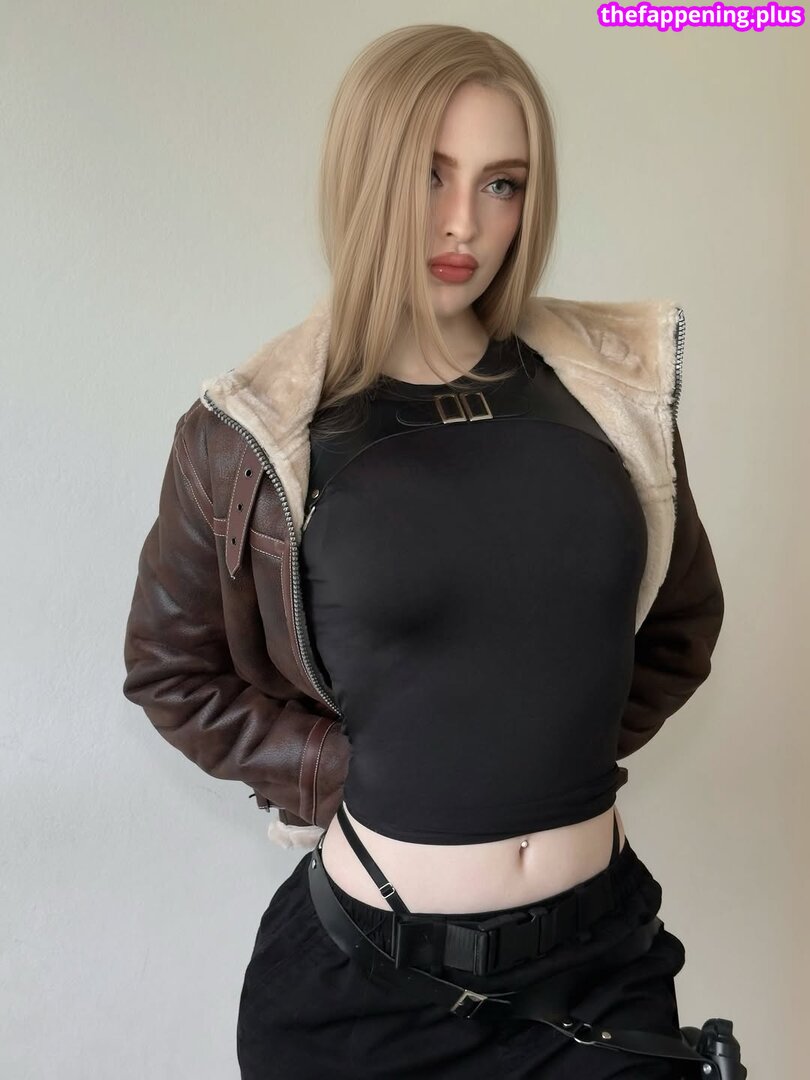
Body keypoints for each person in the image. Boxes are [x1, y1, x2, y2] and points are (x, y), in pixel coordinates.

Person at [122, 23, 725, 1079]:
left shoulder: (610, 392)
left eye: (503, 184)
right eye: (430, 175)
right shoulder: (248, 433)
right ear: (363, 176)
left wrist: (545, 756)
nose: (464, 223)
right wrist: (351, 772)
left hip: (598, 973)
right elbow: (170, 671)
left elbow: (678, 626)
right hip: (367, 999)